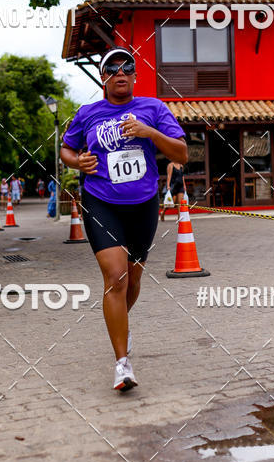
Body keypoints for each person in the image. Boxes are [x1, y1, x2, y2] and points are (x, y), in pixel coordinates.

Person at [60, 47, 187, 392]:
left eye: (126, 67)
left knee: (131, 282)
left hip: (143, 205)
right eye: (112, 68)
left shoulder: (153, 109)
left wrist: (150, 134)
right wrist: (77, 162)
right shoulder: (88, 113)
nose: (120, 72)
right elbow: (66, 149)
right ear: (103, 78)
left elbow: (182, 154)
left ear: (134, 75)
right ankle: (122, 363)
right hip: (101, 202)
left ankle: (121, 325)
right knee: (115, 279)